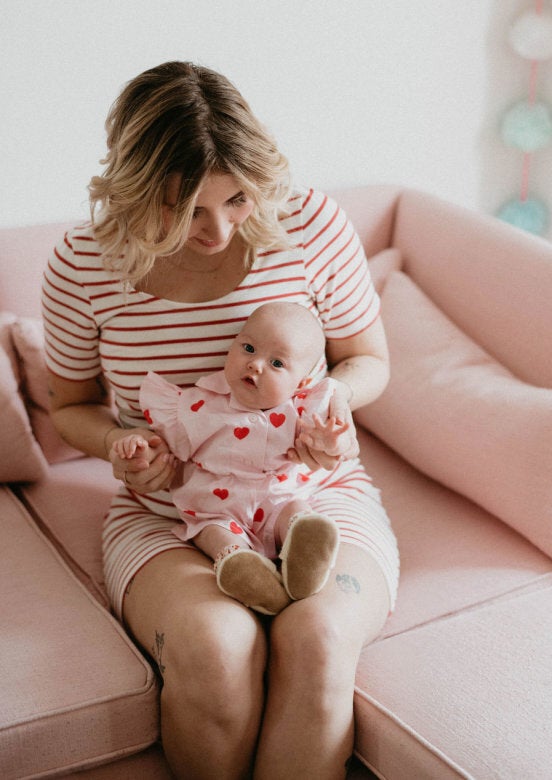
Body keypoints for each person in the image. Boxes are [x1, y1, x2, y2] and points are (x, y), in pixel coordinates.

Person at [43, 60, 399, 780]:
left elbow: (369, 360)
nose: (217, 228)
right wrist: (119, 443)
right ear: (136, 190)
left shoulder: (311, 225)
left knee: (319, 640)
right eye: (184, 208)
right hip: (172, 511)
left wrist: (334, 398)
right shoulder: (84, 265)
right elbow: (67, 406)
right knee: (217, 649)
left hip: (314, 492)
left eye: (237, 200)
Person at [114, 301, 355, 615]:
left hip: (277, 499)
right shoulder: (200, 404)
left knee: (295, 509)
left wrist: (331, 440)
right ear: (232, 346)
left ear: (302, 384)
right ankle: (241, 565)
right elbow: (166, 447)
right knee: (214, 532)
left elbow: (325, 444)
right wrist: (140, 448)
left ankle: (305, 543)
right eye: (249, 348)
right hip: (216, 507)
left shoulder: (300, 411)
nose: (255, 365)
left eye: (277, 363)